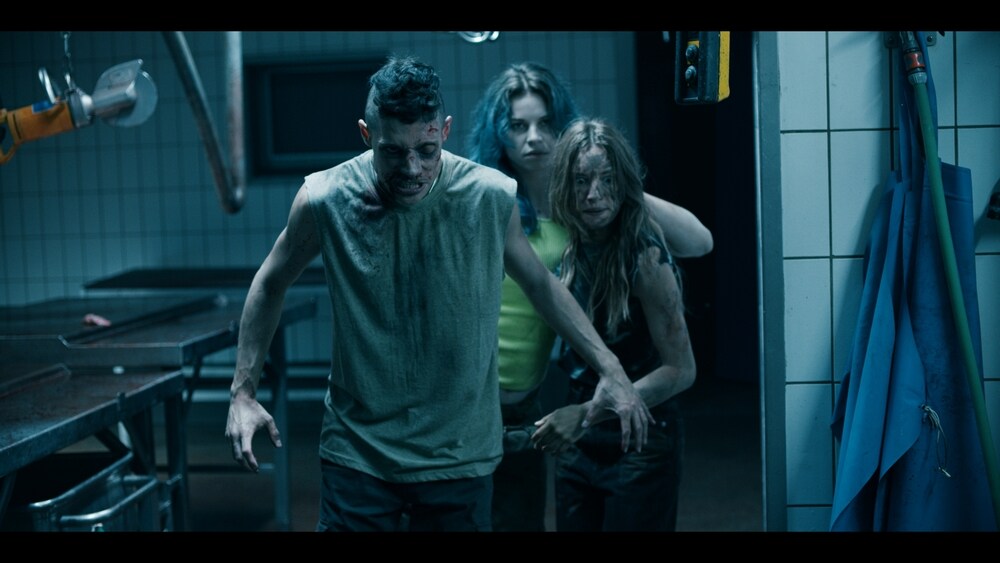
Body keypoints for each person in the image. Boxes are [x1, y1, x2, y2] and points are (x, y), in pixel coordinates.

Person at [223, 56, 651, 532]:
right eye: (393, 152)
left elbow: (540, 285)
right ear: (366, 135)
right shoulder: (326, 197)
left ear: (445, 130)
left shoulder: (488, 196)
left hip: (459, 455)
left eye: (426, 150)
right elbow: (271, 281)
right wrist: (243, 392)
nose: (412, 168)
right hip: (358, 452)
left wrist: (611, 368)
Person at [466, 62, 712, 531]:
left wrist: (616, 182)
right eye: (518, 126)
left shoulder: (584, 211)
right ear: (499, 134)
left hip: (549, 404)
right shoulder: (490, 203)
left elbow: (699, 242)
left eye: (546, 124)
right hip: (481, 397)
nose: (534, 138)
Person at [530, 117, 697, 532]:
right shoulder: (565, 242)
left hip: (638, 429)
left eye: (607, 179)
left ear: (624, 183)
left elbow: (682, 369)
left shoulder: (644, 255)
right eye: (581, 180)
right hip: (580, 426)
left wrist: (586, 414)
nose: (593, 195)